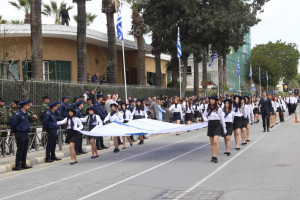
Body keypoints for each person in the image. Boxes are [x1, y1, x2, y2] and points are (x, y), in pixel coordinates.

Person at [203, 96, 226, 163]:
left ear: (215, 101)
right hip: (210, 124)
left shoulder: (218, 109)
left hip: (217, 124)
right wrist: (207, 120)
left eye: (213, 99)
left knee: (216, 141)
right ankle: (213, 156)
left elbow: (222, 119)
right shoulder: (208, 108)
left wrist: (224, 129)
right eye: (210, 99)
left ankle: (216, 156)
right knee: (212, 143)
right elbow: (204, 115)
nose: (211, 101)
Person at [11, 100, 32, 170]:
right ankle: (17, 165)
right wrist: (14, 132)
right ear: (24, 106)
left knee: (25, 149)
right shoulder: (18, 114)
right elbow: (13, 124)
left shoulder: (25, 113)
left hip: (25, 133)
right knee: (20, 149)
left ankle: (23, 163)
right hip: (20, 133)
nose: (29, 106)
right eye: (27, 105)